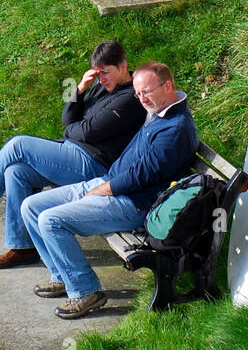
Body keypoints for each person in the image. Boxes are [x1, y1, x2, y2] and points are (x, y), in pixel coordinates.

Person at [0, 40, 145, 269]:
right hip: (73, 151)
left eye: (106, 73)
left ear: (123, 66)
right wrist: (79, 90)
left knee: (18, 145)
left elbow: (88, 131)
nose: (102, 79)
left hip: (94, 165)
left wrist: (73, 130)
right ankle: (22, 247)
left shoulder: (130, 97)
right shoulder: (103, 85)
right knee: (17, 171)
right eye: (97, 74)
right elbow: (68, 119)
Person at [21, 62, 197, 318]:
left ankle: (85, 291)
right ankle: (63, 275)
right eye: (137, 94)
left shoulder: (175, 128)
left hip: (134, 203)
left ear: (167, 86)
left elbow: (143, 175)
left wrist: (105, 188)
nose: (142, 99)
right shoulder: (159, 111)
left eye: (146, 92)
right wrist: (104, 183)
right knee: (31, 207)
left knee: (51, 220)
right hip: (111, 184)